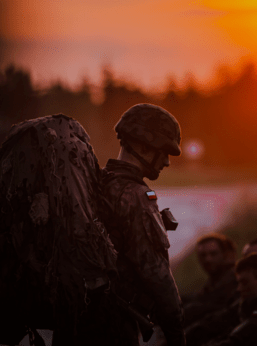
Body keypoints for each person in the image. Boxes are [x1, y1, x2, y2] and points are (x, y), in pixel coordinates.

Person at [78, 104, 185, 346]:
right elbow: (157, 276)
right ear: (143, 146)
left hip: (79, 322)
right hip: (112, 328)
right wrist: (177, 333)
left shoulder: (95, 184)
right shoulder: (136, 196)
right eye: (163, 151)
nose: (167, 162)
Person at [185, 253, 257, 346]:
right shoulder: (244, 306)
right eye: (238, 283)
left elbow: (235, 340)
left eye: (245, 282)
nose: (239, 288)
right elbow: (214, 323)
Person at [183, 233, 238, 327]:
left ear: (224, 254)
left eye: (213, 253)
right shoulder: (213, 282)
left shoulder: (235, 279)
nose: (208, 259)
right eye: (203, 255)